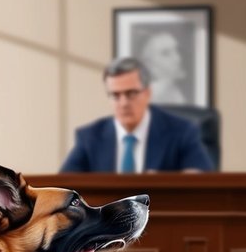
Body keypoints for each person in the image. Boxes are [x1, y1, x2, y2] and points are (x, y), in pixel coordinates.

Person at [61, 57, 213, 173]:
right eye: (115, 95)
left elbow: (201, 177)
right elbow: (62, 189)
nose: (123, 102)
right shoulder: (90, 137)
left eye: (131, 93)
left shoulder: (182, 131)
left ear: (147, 93)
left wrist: (164, 181)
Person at [138, 30, 188, 105]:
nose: (178, 58)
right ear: (148, 63)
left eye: (177, 50)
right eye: (166, 53)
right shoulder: (153, 96)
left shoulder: (173, 90)